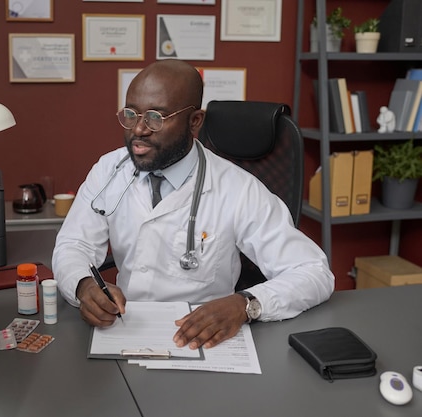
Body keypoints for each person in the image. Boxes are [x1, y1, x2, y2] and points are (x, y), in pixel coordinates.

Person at [52, 59, 334, 350]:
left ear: (195, 121)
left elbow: (314, 272)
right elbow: (73, 245)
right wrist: (83, 285)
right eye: (131, 114)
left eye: (156, 118)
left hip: (204, 341)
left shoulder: (237, 187)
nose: (138, 130)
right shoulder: (109, 171)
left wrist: (244, 304)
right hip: (124, 331)